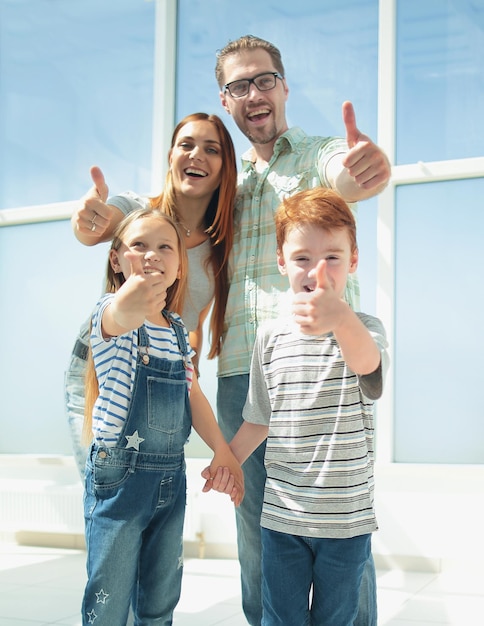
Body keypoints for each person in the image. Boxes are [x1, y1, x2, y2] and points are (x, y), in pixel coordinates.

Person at [211, 35, 391, 626]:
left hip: (326, 364)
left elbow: (346, 174)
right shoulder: (226, 190)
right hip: (245, 366)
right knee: (260, 534)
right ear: (226, 99)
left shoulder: (316, 154)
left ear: (284, 87)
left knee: (342, 533)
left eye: (264, 80)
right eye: (239, 86)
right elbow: (167, 210)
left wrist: (363, 169)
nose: (254, 94)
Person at [81, 208, 243, 626]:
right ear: (116, 260)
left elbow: (193, 395)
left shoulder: (176, 330)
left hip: (170, 481)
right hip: (120, 480)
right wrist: (130, 299)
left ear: (178, 264)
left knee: (160, 598)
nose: (152, 254)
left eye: (164, 247)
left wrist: (223, 451)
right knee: (109, 600)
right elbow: (121, 313)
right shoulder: (110, 314)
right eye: (139, 245)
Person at [65, 112, 237, 476]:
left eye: (212, 149)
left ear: (226, 168)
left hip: (163, 370)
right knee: (104, 488)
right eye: (186, 145)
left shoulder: (221, 248)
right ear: (171, 156)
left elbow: (193, 319)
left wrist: (187, 364)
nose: (197, 155)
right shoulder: (140, 210)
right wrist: (88, 219)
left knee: (154, 495)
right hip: (106, 366)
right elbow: (98, 226)